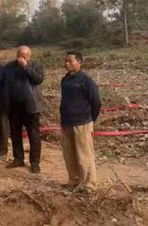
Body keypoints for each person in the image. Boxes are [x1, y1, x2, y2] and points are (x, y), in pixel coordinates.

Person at [60, 51, 101, 192]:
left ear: (79, 62)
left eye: (70, 61)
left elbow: (96, 103)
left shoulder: (86, 81)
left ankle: (89, 185)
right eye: (65, 61)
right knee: (69, 155)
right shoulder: (65, 80)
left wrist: (90, 120)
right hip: (67, 122)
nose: (67, 64)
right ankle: (74, 181)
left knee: (84, 155)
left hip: (82, 123)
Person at [4, 46, 45, 174]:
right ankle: (18, 158)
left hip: (31, 106)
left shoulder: (35, 65)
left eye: (24, 56)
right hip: (14, 107)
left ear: (29, 56)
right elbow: (5, 85)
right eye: (19, 55)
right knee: (15, 134)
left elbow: (38, 79)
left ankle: (34, 162)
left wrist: (26, 66)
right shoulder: (9, 67)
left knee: (34, 135)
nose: (20, 58)